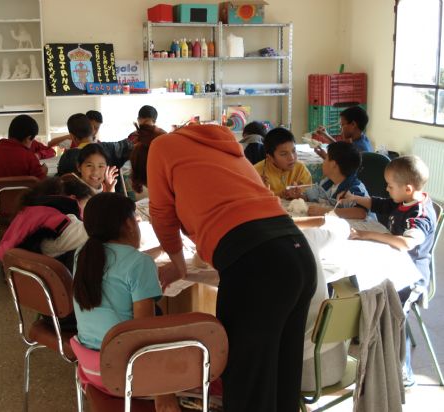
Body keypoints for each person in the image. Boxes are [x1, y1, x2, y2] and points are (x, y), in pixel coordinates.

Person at [131, 123, 317, 412]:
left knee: (247, 379)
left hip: (257, 262)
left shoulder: (160, 148)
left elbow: (162, 216)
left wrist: (179, 266)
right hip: (297, 251)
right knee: (282, 372)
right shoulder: (219, 142)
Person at [70, 192, 180, 412]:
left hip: (90, 369)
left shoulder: (82, 254)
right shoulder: (139, 264)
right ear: (130, 224)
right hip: (126, 375)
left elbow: (119, 263)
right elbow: (143, 333)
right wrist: (163, 390)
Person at [341, 155, 436, 387]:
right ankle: (363, 330)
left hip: (411, 278)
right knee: (358, 280)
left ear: (408, 188)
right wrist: (355, 198)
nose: (387, 189)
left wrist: (367, 234)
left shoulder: (420, 214)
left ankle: (403, 372)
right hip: (393, 267)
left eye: (390, 186)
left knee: (394, 316)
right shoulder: (404, 199)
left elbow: (406, 243)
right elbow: (381, 203)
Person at [294, 215, 350, 392]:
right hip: (339, 361)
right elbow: (343, 227)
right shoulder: (308, 235)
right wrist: (305, 221)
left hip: (301, 373)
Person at [0, 176, 93, 271]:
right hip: (56, 282)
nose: (87, 215)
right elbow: (96, 229)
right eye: (87, 207)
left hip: (25, 276)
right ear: (73, 199)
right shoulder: (61, 223)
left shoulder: (33, 213)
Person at [57, 113, 132, 194]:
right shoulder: (112, 148)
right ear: (92, 129)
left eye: (101, 166)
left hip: (78, 205)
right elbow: (132, 145)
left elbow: (61, 184)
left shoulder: (68, 157)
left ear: (72, 137)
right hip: (114, 200)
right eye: (89, 165)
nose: (95, 172)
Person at [304, 141, 372, 219]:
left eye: (326, 158)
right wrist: (301, 196)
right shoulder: (327, 182)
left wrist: (325, 212)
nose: (323, 162)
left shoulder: (354, 188)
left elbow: (361, 212)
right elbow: (313, 196)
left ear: (333, 164)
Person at [0, 114, 47, 181]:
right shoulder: (29, 157)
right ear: (28, 138)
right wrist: (43, 172)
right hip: (25, 191)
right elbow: (41, 183)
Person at [253, 127, 312, 199]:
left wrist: (300, 196)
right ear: (270, 158)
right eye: (284, 154)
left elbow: (310, 196)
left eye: (293, 151)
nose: (292, 158)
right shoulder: (256, 172)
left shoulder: (300, 169)